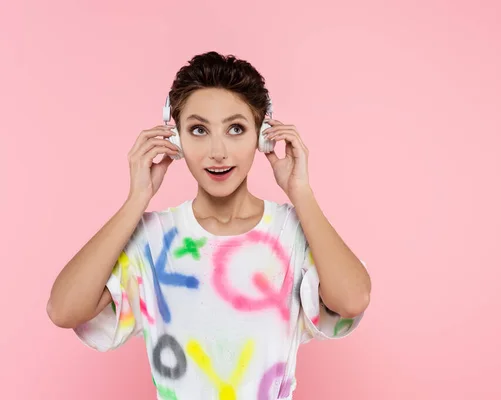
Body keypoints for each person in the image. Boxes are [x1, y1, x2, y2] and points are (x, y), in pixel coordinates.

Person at [47, 51, 371, 400]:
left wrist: (301, 192)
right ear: (175, 139)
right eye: (198, 130)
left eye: (236, 129)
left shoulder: (290, 231)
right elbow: (63, 310)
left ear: (262, 136)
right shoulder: (154, 239)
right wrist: (137, 199)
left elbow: (352, 299)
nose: (218, 151)